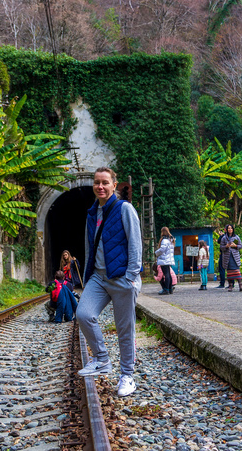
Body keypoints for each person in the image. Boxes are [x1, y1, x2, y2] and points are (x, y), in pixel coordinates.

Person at [76, 167, 142, 398]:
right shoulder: (92, 213)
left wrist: (132, 277)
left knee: (125, 328)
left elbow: (135, 243)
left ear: (114, 185)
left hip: (122, 277)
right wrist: (88, 277)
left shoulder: (125, 209)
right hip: (99, 277)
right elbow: (89, 247)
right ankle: (102, 359)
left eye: (105, 182)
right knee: (83, 314)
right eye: (96, 183)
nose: (100, 187)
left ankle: (127, 376)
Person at [220, 224, 242, 292]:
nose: (230, 230)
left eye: (231, 228)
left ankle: (240, 285)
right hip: (227, 257)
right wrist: (226, 246)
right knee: (229, 272)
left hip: (235, 257)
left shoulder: (236, 237)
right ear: (226, 229)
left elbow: (240, 245)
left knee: (237, 271)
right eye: (228, 228)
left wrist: (235, 246)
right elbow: (221, 247)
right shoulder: (224, 238)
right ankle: (230, 285)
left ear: (233, 229)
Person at [155, 227, 175, 295]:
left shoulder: (164, 240)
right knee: (168, 274)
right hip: (169, 259)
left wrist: (156, 253)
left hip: (164, 259)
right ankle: (170, 289)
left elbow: (162, 250)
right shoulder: (171, 240)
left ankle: (166, 290)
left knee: (166, 274)